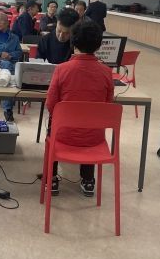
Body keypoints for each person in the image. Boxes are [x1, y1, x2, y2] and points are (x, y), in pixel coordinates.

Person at [45, 20, 114, 197]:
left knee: (53, 124)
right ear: (98, 45)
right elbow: (108, 106)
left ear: (73, 42)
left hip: (63, 136)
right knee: (91, 123)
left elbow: (51, 105)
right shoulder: (107, 72)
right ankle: (88, 180)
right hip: (94, 139)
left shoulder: (61, 70)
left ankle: (51, 179)